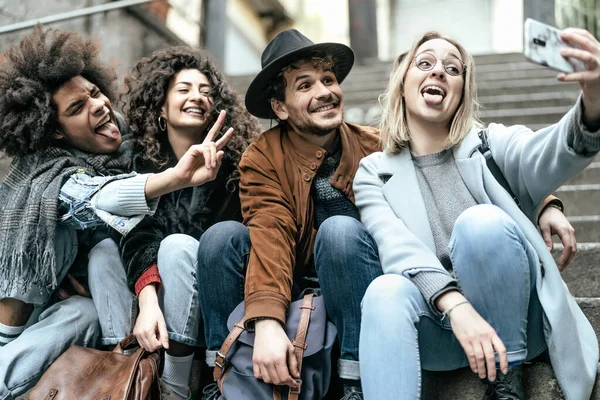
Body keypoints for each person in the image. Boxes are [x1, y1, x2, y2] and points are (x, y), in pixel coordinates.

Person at [196, 29, 578, 400]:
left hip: (360, 276)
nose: (325, 92)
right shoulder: (263, 156)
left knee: (340, 232)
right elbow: (271, 235)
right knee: (220, 239)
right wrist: (267, 322)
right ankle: (222, 373)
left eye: (328, 79)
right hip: (295, 281)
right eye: (305, 85)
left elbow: (462, 156)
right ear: (279, 107)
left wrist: (544, 202)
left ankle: (353, 381)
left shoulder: (375, 145)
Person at [355, 30, 600, 399]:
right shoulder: (373, 171)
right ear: (402, 81)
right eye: (425, 63)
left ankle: (507, 382)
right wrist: (457, 307)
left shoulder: (490, 144)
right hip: (441, 329)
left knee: (478, 224)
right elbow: (397, 247)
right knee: (383, 290)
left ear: (462, 91)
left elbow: (545, 153)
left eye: (452, 68)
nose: (438, 71)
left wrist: (593, 104)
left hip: (516, 324)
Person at [0, 28, 227, 399]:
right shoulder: (48, 174)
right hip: (16, 321)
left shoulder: (123, 143)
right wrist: (174, 178)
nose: (98, 105)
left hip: (74, 306)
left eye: (94, 92)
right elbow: (99, 198)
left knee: (88, 301)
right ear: (55, 132)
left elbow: (134, 231)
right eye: (77, 108)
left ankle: (128, 378)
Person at [87, 46, 261, 400]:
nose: (197, 97)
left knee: (178, 244)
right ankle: (125, 373)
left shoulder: (234, 166)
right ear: (161, 108)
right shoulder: (134, 158)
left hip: (202, 303)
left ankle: (175, 387)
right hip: (144, 295)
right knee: (103, 249)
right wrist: (148, 299)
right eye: (184, 89)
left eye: (206, 91)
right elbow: (132, 232)